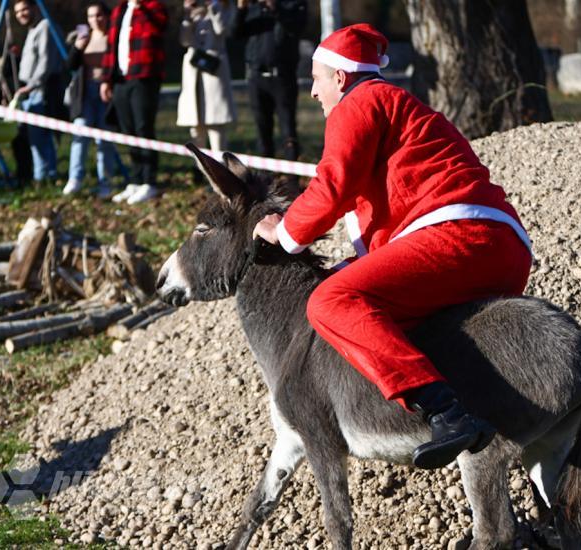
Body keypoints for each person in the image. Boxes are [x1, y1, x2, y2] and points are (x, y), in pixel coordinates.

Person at [252, 24, 533, 469]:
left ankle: (445, 412)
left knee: (331, 301)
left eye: (317, 78)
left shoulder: (358, 103)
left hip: (460, 237)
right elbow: (396, 209)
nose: (311, 92)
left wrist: (283, 232)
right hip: (499, 246)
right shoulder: (398, 106)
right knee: (369, 297)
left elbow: (332, 186)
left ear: (340, 78)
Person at [100, 0, 168, 205]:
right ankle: (136, 180)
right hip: (121, 79)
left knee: (143, 128)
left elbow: (161, 27)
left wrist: (143, 9)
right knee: (128, 130)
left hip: (144, 77)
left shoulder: (154, 7)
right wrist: (106, 79)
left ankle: (149, 181)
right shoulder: (119, 10)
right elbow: (111, 47)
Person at [234, 0, 306, 161]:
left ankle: (291, 181)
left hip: (282, 77)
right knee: (263, 132)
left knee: (288, 130)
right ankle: (266, 179)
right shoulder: (253, 6)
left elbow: (297, 28)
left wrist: (275, 7)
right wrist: (241, 9)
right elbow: (235, 33)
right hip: (256, 76)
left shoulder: (293, 4)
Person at [63, 2, 117, 198]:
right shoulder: (84, 38)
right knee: (80, 135)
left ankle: (105, 182)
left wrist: (108, 82)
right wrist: (77, 48)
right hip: (85, 93)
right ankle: (75, 179)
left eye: (99, 15)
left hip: (106, 92)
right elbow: (70, 65)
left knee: (104, 140)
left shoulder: (113, 37)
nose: (95, 20)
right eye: (91, 16)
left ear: (106, 16)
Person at [177, 0, 237, 154]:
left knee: (216, 125)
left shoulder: (224, 6)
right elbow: (184, 40)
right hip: (193, 75)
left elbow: (222, 29)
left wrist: (213, 6)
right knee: (196, 129)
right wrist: (187, 15)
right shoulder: (192, 12)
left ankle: (220, 169)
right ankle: (200, 170)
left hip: (214, 74)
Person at [13, 0, 62, 183]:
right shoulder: (33, 30)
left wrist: (33, 84)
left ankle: (45, 177)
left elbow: (45, 60)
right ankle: (41, 175)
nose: (21, 14)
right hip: (31, 90)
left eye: (24, 9)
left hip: (40, 90)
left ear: (35, 8)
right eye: (17, 12)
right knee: (34, 139)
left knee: (40, 138)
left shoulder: (45, 27)